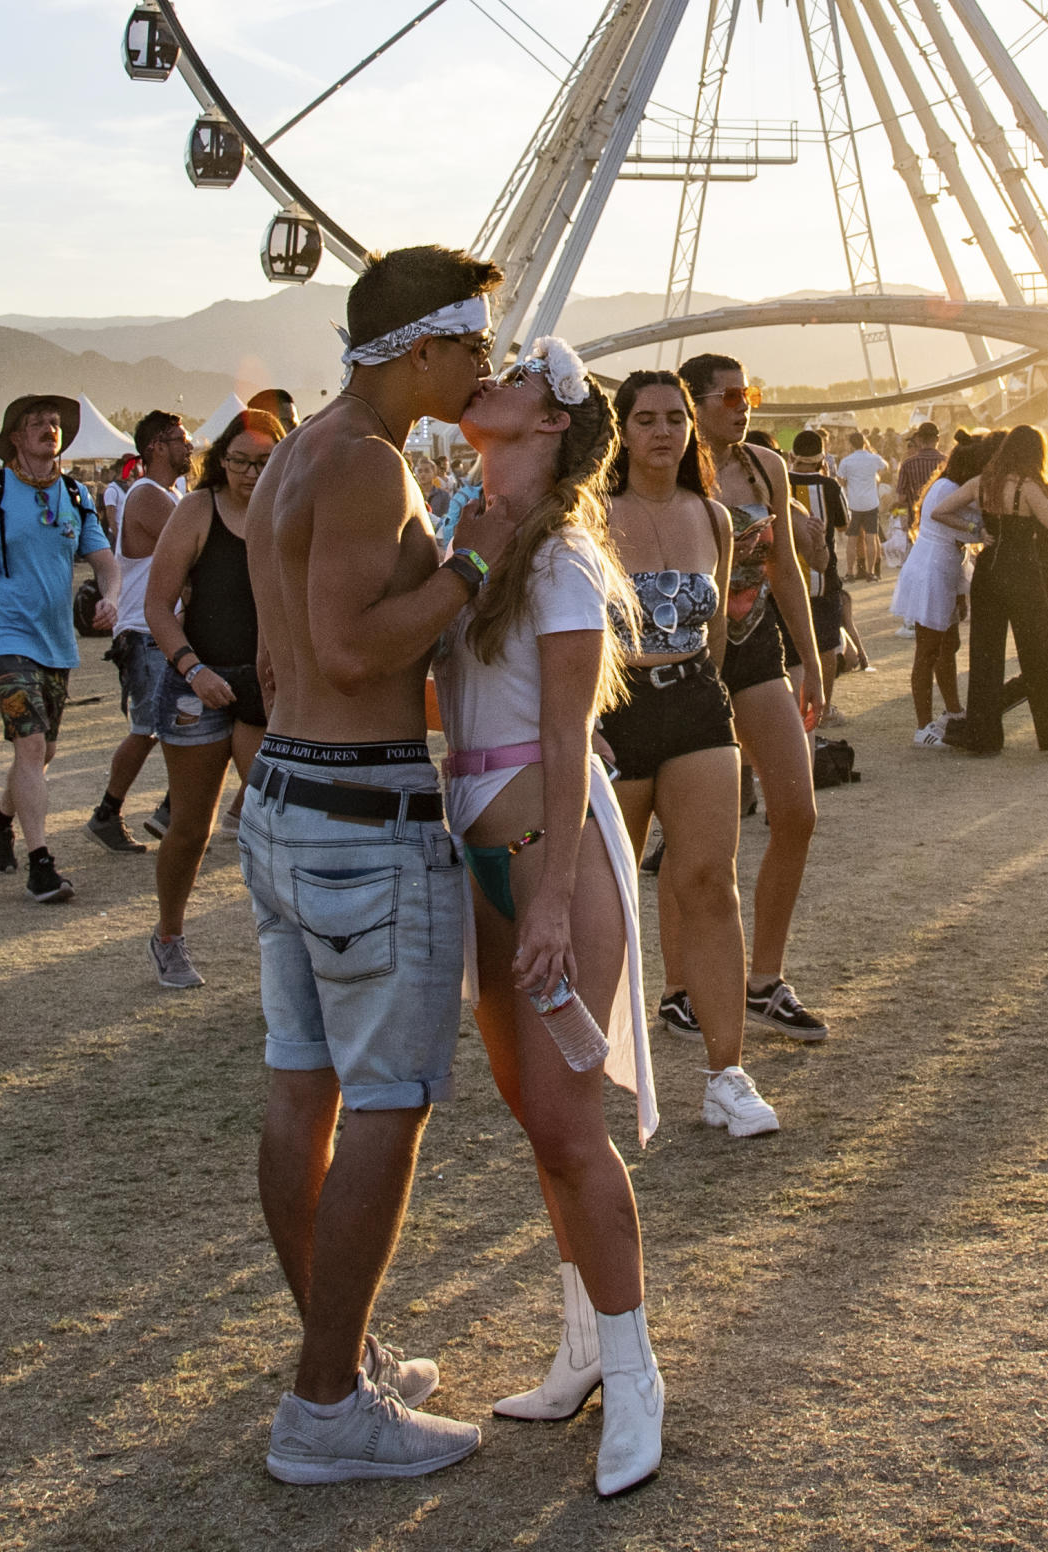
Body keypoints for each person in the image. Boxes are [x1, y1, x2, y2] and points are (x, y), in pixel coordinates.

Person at [236, 246, 509, 1483]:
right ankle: (326, 1408)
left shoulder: (296, 452)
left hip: (290, 801)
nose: (488, 366)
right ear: (421, 344)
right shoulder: (362, 461)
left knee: (305, 1094)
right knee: (385, 1111)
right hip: (358, 813)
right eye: (476, 344)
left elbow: (295, 661)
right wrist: (477, 562)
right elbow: (349, 651)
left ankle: (335, 1358)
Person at [436, 339, 665, 1497]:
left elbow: (572, 742)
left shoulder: (568, 556)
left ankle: (635, 1374)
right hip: (481, 844)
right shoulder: (471, 533)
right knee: (536, 1119)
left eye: (522, 372)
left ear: (545, 424)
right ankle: (580, 1343)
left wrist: (558, 902)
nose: (498, 372)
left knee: (575, 1130)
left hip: (545, 858)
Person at [602, 371, 782, 1136]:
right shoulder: (590, 516)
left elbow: (713, 637)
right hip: (613, 706)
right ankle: (594, 1072)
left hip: (695, 704)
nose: (663, 432)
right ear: (620, 432)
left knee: (709, 881)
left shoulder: (713, 516)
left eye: (675, 418)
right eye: (645, 419)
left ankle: (726, 1075)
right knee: (605, 898)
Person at [678, 354, 830, 1048]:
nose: (745, 406)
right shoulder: (667, 468)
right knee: (694, 836)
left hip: (754, 641)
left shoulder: (765, 467)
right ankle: (681, 990)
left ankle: (764, 980)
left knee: (795, 811)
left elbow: (785, 568)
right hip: (684, 654)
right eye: (731, 396)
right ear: (697, 403)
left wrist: (811, 662)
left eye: (752, 394)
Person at [138, 409, 286, 986]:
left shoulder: (283, 513)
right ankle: (169, 934)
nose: (252, 474)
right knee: (192, 826)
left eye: (265, 462)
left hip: (260, 687)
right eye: (241, 461)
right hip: (197, 685)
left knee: (273, 820)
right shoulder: (197, 511)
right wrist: (192, 667)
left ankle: (285, 952)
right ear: (220, 461)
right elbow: (157, 606)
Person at [0, 395, 119, 908]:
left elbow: (103, 560)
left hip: (57, 642)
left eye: (55, 424)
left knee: (45, 752)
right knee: (31, 747)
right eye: (37, 424)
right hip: (4, 635)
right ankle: (41, 865)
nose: (49, 430)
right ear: (15, 436)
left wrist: (112, 597)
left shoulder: (75, 495)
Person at [948, 427, 1048, 759]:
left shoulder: (983, 483)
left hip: (988, 573)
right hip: (1022, 574)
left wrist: (976, 530)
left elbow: (940, 512)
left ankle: (982, 734)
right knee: (1040, 655)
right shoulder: (1028, 488)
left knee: (985, 656)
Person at [86, 411, 194, 855]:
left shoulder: (167, 492)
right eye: (180, 439)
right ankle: (119, 813)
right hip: (146, 632)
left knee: (166, 725)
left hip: (156, 631)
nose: (189, 447)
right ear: (155, 447)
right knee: (154, 728)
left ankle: (160, 810)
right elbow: (197, 544)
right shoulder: (149, 496)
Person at [890, 430, 987, 745]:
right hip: (931, 570)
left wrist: (960, 592)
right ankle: (923, 727)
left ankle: (954, 710)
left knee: (948, 646)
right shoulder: (950, 488)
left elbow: (956, 543)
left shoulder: (949, 485)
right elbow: (957, 530)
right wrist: (978, 529)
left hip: (942, 567)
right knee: (928, 650)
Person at [834, 429, 887, 583]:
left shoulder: (846, 461)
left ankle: (850, 572)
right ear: (865, 443)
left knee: (852, 538)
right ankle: (871, 573)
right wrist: (874, 478)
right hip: (871, 502)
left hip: (855, 504)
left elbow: (840, 478)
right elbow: (886, 467)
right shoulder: (873, 458)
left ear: (851, 444)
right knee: (871, 537)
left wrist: (848, 484)